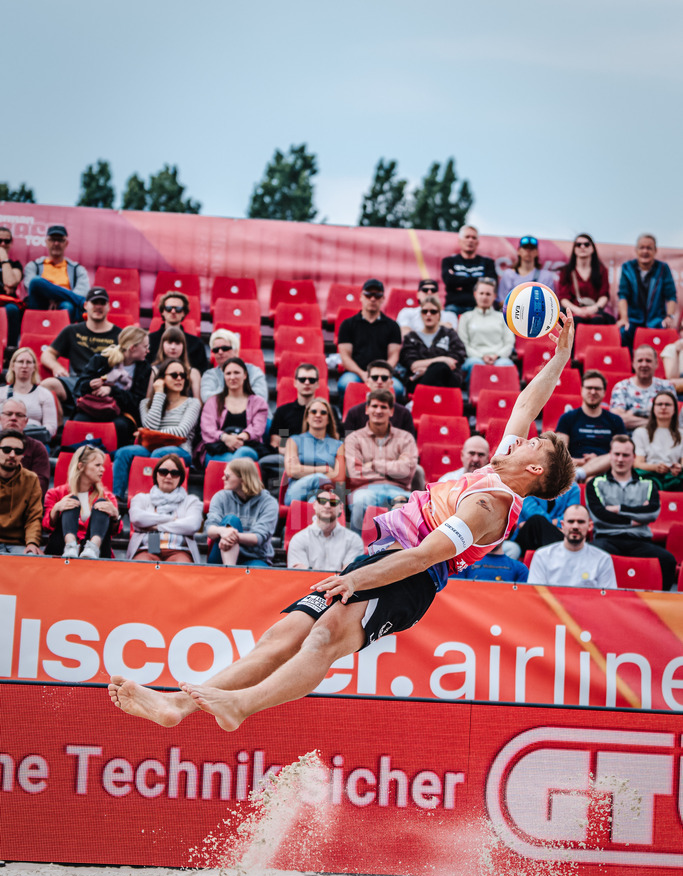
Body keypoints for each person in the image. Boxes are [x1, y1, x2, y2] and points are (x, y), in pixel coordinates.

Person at [108, 311, 577, 733]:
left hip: (409, 578)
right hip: (383, 558)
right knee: (283, 634)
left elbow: (422, 557)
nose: (530, 437)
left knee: (325, 638)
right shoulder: (499, 464)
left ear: (536, 470)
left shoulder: (489, 507)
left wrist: (357, 581)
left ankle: (240, 706)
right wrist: (561, 356)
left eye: (539, 444)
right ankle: (176, 707)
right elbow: (525, 405)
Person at [586, 434, 676, 590]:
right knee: (589, 555)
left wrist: (618, 509)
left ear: (633, 457)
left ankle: (660, 606)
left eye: (625, 455)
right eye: (617, 454)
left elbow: (653, 512)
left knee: (667, 560)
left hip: (640, 541)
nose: (620, 459)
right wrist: (635, 518)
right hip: (607, 538)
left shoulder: (648, 484)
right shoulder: (595, 483)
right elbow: (599, 515)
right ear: (610, 455)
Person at [112, 359, 201, 501]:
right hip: (151, 448)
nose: (179, 378)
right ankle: (116, 498)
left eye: (182, 375)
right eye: (174, 375)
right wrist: (159, 394)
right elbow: (151, 426)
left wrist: (148, 433)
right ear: (161, 379)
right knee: (124, 452)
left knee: (159, 453)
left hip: (181, 450)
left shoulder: (192, 403)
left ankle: (149, 498)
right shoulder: (146, 404)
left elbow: (181, 432)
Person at [40, 288, 121, 425]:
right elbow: (47, 354)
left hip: (106, 384)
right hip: (77, 381)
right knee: (47, 385)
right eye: (94, 302)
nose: (98, 307)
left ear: (108, 307)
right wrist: (56, 367)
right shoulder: (72, 330)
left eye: (102, 303)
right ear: (86, 305)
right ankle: (59, 429)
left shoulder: (119, 334)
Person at [344, 389, 418, 532]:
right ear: (367, 409)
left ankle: (403, 552)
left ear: (391, 411)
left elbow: (407, 472)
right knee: (360, 502)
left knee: (415, 505)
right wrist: (394, 469)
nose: (378, 411)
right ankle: (359, 548)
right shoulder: (353, 438)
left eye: (383, 407)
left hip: (398, 490)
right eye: (374, 406)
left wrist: (372, 464)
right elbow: (355, 473)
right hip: (364, 489)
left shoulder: (405, 438)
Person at [73, 327, 151, 447]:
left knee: (119, 426)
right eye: (145, 346)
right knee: (79, 421)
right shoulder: (102, 359)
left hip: (122, 412)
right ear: (132, 348)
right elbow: (79, 387)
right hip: (94, 408)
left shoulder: (144, 368)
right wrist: (90, 385)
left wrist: (111, 390)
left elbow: (137, 401)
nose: (148, 350)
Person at [43, 446, 119, 559]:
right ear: (81, 466)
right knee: (70, 501)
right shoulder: (55, 493)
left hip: (98, 551)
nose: (103, 469)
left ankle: (92, 547)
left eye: (102, 465)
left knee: (102, 504)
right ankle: (70, 545)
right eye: (98, 465)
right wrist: (56, 509)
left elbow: (114, 532)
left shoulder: (107, 497)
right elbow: (46, 527)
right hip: (61, 547)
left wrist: (115, 516)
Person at [258, 362, 323, 496]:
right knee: (266, 463)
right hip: (289, 457)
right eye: (302, 379)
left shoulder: (324, 412)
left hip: (319, 458)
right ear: (295, 382)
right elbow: (278, 441)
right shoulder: (284, 412)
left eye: (311, 380)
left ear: (317, 384)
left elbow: (333, 440)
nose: (306, 383)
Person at [127, 455, 203, 564]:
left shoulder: (191, 501)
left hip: (179, 550)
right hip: (147, 548)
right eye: (163, 472)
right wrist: (172, 519)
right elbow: (137, 518)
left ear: (181, 477)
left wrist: (156, 526)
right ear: (156, 475)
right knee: (142, 568)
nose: (168, 476)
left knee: (182, 570)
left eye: (174, 473)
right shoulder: (141, 498)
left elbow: (192, 525)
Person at [336, 279, 403, 398]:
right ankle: (347, 415)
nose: (373, 299)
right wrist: (362, 373)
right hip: (356, 373)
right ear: (361, 297)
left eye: (377, 295)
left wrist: (379, 375)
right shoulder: (348, 324)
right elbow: (345, 357)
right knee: (345, 384)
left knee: (397, 389)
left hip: (382, 375)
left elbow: (394, 356)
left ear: (383, 299)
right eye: (368, 295)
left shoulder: (392, 326)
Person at [205, 458, 278, 568]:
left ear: (243, 479)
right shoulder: (221, 497)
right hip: (220, 553)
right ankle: (230, 571)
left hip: (254, 557)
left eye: (227, 476)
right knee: (231, 520)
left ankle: (230, 573)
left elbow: (258, 537)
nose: (223, 478)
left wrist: (231, 535)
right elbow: (210, 528)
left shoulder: (268, 502)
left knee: (260, 572)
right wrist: (222, 531)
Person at [556, 370, 626, 481]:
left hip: (606, 469)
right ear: (582, 390)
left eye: (597, 388)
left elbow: (623, 451)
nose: (593, 392)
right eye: (589, 388)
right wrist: (581, 462)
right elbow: (559, 454)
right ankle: (581, 474)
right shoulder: (567, 418)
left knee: (612, 457)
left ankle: (580, 475)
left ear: (604, 392)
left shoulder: (615, 420)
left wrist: (597, 460)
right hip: (574, 465)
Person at [527, 504, 617, 589]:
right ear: (562, 525)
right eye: (571, 521)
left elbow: (609, 599)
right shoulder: (542, 556)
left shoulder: (603, 559)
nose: (575, 526)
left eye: (581, 522)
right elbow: (536, 597)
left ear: (590, 526)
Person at [199, 358, 268, 466]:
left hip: (247, 447)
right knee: (236, 461)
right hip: (218, 450)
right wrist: (225, 438)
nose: (232, 377)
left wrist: (242, 437)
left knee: (243, 453)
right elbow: (207, 428)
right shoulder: (213, 401)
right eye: (228, 373)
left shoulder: (258, 402)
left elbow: (258, 428)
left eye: (236, 373)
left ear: (245, 375)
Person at [617, 234, 678, 349]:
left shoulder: (663, 268)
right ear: (636, 250)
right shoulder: (627, 267)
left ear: (655, 251)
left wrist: (669, 317)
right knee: (623, 332)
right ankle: (630, 365)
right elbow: (623, 295)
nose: (645, 251)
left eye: (649, 248)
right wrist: (624, 318)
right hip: (633, 320)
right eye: (642, 247)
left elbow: (671, 296)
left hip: (656, 320)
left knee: (669, 335)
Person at [287, 483, 364, 571]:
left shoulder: (354, 540)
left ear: (341, 508)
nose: (327, 506)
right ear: (314, 504)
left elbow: (350, 575)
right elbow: (300, 574)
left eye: (333, 502)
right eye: (322, 501)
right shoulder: (299, 539)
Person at [283, 397, 345, 505]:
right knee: (319, 478)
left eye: (323, 412)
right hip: (296, 492)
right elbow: (292, 470)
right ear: (307, 417)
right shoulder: (293, 440)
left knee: (316, 500)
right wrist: (324, 469)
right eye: (313, 412)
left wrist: (302, 470)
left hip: (326, 495)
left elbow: (339, 478)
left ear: (328, 419)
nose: (318, 415)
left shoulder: (338, 445)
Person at [23, 225, 90, 323]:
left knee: (68, 306)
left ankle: (63, 337)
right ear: (46, 242)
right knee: (36, 281)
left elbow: (82, 290)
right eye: (53, 239)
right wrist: (54, 296)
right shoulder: (33, 266)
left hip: (66, 304)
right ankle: (81, 301)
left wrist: (58, 298)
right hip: (39, 304)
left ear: (66, 243)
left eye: (60, 240)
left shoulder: (77, 269)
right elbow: (30, 287)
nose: (56, 243)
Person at [398, 299, 466, 392]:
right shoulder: (411, 337)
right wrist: (442, 359)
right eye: (424, 311)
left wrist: (426, 370)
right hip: (418, 383)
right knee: (441, 366)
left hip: (447, 381)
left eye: (433, 311)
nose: (428, 314)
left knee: (442, 368)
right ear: (421, 315)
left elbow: (453, 362)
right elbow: (413, 365)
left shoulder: (450, 334)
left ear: (439, 315)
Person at [457, 278, 516, 379]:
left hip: (499, 358)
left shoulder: (503, 317)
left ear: (494, 296)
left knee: (506, 364)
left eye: (488, 294)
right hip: (474, 358)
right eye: (481, 293)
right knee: (476, 364)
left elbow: (509, 342)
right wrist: (481, 356)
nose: (484, 297)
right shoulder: (465, 317)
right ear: (475, 294)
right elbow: (463, 344)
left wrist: (497, 356)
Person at [609, 345, 676, 431]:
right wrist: (655, 421)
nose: (644, 364)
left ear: (656, 364)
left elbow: (671, 420)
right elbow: (618, 421)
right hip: (630, 440)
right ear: (633, 364)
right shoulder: (621, 387)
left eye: (648, 361)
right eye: (640, 361)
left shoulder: (667, 387)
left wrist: (632, 412)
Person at [0, 347, 58, 444]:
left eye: (28, 362)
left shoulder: (44, 394)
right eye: (20, 361)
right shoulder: (1, 393)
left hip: (34, 442)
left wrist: (28, 434)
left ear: (34, 367)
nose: (24, 366)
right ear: (13, 365)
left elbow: (51, 427)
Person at [343, 360, 416, 436]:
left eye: (384, 378)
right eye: (375, 377)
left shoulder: (404, 414)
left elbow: (409, 444)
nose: (379, 381)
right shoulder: (354, 413)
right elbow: (347, 444)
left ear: (391, 383)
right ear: (367, 382)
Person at [0, 429, 42, 555]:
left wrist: (32, 543)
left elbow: (33, 517)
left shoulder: (31, 479)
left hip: (19, 544)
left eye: (18, 451)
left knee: (33, 561)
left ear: (22, 456)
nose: (12, 455)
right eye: (6, 450)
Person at [556, 233, 613, 325]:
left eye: (586, 244)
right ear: (574, 249)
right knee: (573, 321)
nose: (582, 247)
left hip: (595, 312)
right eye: (578, 245)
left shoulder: (602, 270)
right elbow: (563, 298)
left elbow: (604, 295)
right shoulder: (566, 271)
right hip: (573, 312)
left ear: (592, 248)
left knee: (599, 321)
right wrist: (578, 311)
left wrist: (593, 309)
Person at [200, 329, 268, 403]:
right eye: (216, 350)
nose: (220, 352)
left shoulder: (254, 371)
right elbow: (207, 398)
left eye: (225, 348)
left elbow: (261, 398)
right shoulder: (209, 375)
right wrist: (238, 393)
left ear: (236, 351)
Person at [441, 225, 497, 315]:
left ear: (477, 242)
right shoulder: (448, 261)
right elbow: (449, 281)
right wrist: (479, 281)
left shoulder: (488, 262)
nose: (470, 240)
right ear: (460, 241)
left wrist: (459, 282)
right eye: (467, 237)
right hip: (453, 307)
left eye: (474, 238)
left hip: (479, 307)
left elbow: (491, 283)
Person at [633, 391, 683, 491]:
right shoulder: (641, 432)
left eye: (667, 404)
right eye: (659, 404)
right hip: (650, 475)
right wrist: (655, 467)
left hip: (675, 476)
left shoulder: (682, 433)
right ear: (653, 408)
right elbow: (638, 463)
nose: (663, 407)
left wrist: (678, 468)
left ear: (674, 409)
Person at [148, 292, 208, 374]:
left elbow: (202, 372)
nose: (173, 311)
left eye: (178, 309)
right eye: (168, 308)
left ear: (184, 313)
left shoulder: (196, 344)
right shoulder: (149, 340)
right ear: (162, 311)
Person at [0, 400, 50, 497]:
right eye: (9, 414)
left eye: (19, 415)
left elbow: (40, 487)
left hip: (23, 505)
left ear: (26, 421)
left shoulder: (37, 448)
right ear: (0, 418)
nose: (13, 418)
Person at [498, 236, 556, 304]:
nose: (528, 251)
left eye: (532, 248)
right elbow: (502, 302)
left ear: (537, 252)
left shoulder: (546, 276)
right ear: (519, 251)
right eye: (525, 248)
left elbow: (550, 301)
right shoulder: (508, 274)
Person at [147, 326, 201, 400]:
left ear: (183, 346)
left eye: (177, 343)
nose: (173, 347)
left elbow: (198, 404)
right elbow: (148, 401)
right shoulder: (153, 371)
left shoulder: (193, 373)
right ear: (162, 345)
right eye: (169, 342)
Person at [0, 226, 25, 346]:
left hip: (8, 304)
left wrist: (4, 260)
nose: (3, 244)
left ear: (11, 243)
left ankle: (10, 351)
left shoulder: (15, 264)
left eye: (7, 241)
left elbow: (10, 282)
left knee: (12, 310)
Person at [456, 542, 529, 583]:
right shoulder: (465, 564)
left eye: (497, 531)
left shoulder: (520, 568)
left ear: (505, 535)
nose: (494, 537)